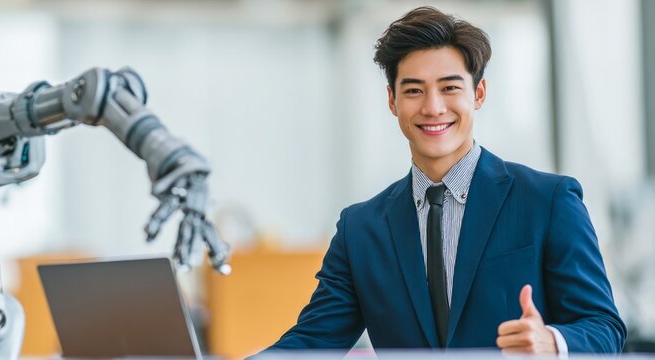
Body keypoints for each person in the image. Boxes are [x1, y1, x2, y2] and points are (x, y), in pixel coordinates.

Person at [265, 6, 625, 356]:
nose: (433, 107)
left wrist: (552, 341)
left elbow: (604, 327)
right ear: (392, 100)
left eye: (450, 88)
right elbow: (311, 341)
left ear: (478, 94)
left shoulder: (548, 201)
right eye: (414, 90)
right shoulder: (360, 230)